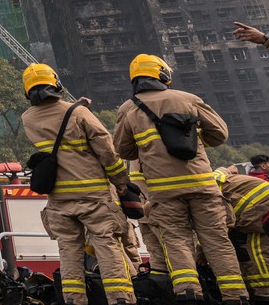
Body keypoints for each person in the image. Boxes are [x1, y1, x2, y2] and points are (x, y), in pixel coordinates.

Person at [113, 54, 247, 304]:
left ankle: (188, 293)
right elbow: (220, 134)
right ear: (162, 74)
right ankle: (235, 295)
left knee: (176, 242)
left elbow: (123, 150)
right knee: (216, 241)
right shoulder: (188, 99)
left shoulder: (128, 109)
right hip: (203, 187)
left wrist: (151, 150)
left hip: (163, 193)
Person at [20, 63, 135, 305]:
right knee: (107, 246)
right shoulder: (78, 113)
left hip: (58, 200)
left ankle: (73, 300)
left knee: (69, 251)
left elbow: (55, 125)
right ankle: (120, 299)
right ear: (56, 83)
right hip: (92, 195)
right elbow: (106, 150)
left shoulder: (28, 119)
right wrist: (121, 181)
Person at [214, 166, 269, 303]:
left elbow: (217, 230)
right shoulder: (219, 180)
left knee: (256, 251)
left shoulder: (210, 191)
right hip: (257, 210)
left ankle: (264, 291)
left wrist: (201, 256)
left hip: (260, 211)